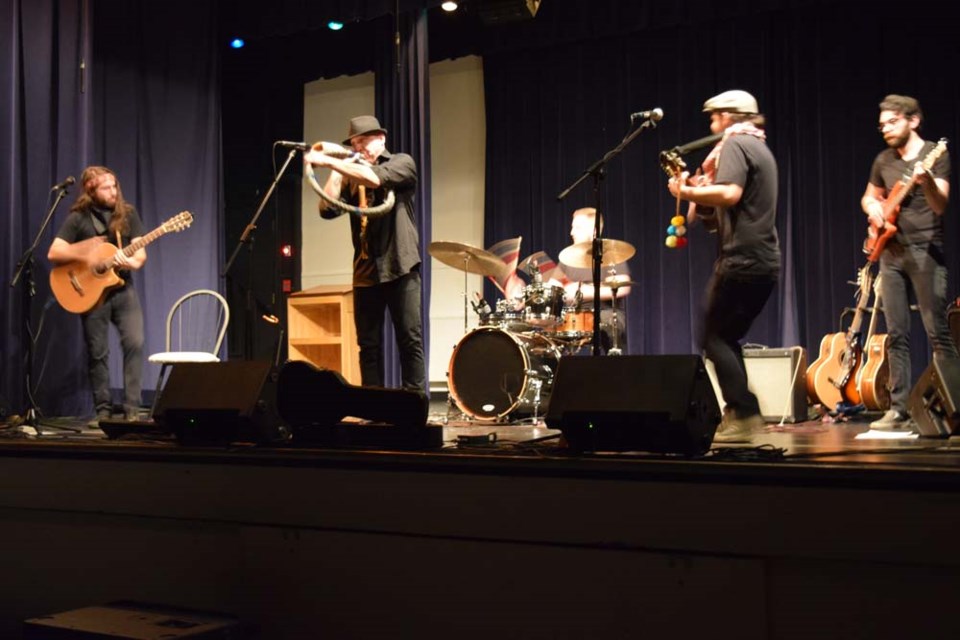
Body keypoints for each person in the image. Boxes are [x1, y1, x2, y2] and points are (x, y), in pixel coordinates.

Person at [666, 90, 780, 443]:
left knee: (712, 338)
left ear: (729, 117)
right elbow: (718, 217)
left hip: (742, 258)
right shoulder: (759, 147)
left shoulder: (736, 144)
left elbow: (729, 193)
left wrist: (684, 190)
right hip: (762, 260)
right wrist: (698, 194)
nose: (712, 125)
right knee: (726, 338)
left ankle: (744, 413)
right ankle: (742, 412)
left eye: (714, 118)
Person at [305, 115, 426, 392]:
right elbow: (327, 209)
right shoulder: (350, 175)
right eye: (354, 143)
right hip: (365, 271)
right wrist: (338, 170)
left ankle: (415, 405)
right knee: (368, 346)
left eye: (364, 141)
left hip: (400, 265)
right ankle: (374, 410)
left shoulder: (401, 162)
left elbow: (375, 179)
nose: (358, 147)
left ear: (381, 139)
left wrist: (329, 161)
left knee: (410, 340)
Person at [861, 94, 958, 430]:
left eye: (893, 122)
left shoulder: (935, 154)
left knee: (937, 333)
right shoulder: (882, 160)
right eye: (883, 124)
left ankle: (953, 407)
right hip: (890, 254)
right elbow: (868, 196)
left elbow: (940, 203)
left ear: (913, 120)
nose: (886, 129)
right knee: (896, 334)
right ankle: (898, 409)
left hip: (925, 252)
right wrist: (872, 207)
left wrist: (926, 179)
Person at [47, 166, 147, 423]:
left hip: (123, 288)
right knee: (98, 352)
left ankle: (132, 410)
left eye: (114, 186)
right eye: (106, 187)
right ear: (91, 191)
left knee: (135, 343)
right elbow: (55, 253)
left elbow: (140, 252)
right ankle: (103, 411)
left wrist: (133, 262)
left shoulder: (127, 214)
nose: (113, 191)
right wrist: (87, 253)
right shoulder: (78, 218)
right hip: (90, 291)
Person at [558, 207, 631, 354]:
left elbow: (623, 287)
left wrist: (584, 292)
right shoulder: (568, 258)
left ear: (594, 231)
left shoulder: (610, 253)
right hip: (573, 315)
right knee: (546, 333)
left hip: (605, 312)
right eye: (572, 227)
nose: (571, 233)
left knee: (606, 324)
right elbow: (553, 287)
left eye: (577, 228)